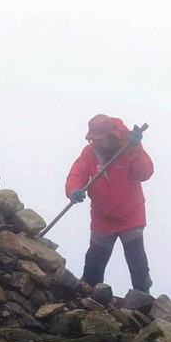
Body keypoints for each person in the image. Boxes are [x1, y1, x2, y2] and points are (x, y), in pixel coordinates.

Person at [64, 114, 154, 292]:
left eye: (98, 139)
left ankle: (144, 304)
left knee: (137, 264)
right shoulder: (89, 153)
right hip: (102, 218)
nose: (94, 142)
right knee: (93, 266)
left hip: (130, 215)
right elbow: (76, 175)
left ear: (110, 135)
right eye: (92, 139)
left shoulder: (128, 148)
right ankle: (90, 300)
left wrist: (136, 147)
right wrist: (73, 190)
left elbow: (145, 173)